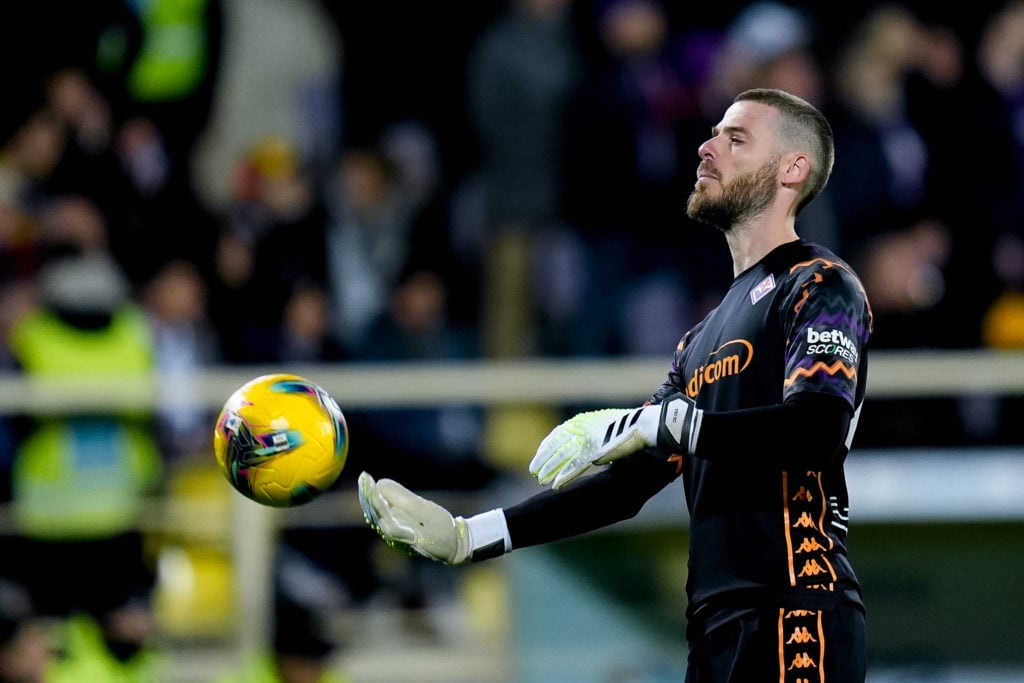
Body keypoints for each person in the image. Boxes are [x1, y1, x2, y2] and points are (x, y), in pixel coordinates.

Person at [358, 88, 872, 682]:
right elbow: (627, 486)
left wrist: (665, 421)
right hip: (713, 629)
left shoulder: (820, 285)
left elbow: (815, 430)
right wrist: (467, 537)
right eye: (713, 134)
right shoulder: (699, 339)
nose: (707, 148)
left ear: (792, 169)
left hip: (796, 613)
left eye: (736, 139)